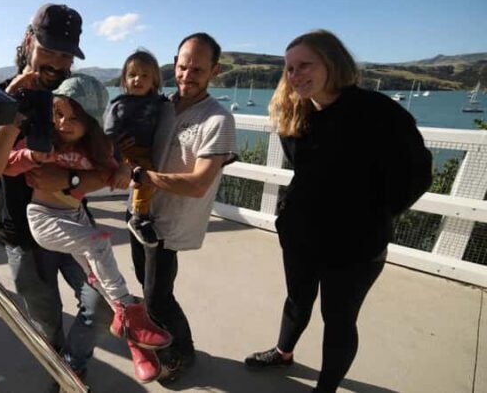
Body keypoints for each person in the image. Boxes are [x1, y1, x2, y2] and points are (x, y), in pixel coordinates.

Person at [244, 30, 432, 393]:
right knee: (297, 300)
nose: (295, 75)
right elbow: (306, 173)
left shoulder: (378, 113)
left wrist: (374, 214)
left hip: (356, 246)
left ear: (332, 62)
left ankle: (326, 388)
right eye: (289, 69)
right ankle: (283, 353)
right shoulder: (296, 114)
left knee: (339, 319)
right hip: (302, 236)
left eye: (304, 65)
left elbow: (416, 174)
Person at [0, 4, 113, 386]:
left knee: (102, 307)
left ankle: (70, 366)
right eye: (50, 49)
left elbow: (103, 169)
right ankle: (59, 375)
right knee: (47, 322)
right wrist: (10, 120)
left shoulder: (74, 98)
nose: (58, 62)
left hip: (73, 223)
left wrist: (71, 181)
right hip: (22, 239)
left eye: (67, 54)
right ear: (29, 41)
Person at [2, 79, 172, 383]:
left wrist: (123, 170)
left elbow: (113, 172)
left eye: (74, 117)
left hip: (75, 215)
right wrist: (30, 156)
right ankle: (128, 319)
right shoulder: (43, 141)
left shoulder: (93, 149)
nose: (64, 123)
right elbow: (7, 165)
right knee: (98, 243)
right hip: (42, 218)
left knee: (99, 279)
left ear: (91, 120)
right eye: (59, 114)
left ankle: (136, 343)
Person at [129, 33, 238, 383]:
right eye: (182, 66)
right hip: (138, 215)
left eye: (197, 69)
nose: (187, 75)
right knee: (147, 290)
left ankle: (183, 353)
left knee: (159, 298)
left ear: (214, 71)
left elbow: (199, 183)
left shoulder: (218, 120)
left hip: (170, 225)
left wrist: (144, 176)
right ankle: (162, 339)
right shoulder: (159, 106)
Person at [104, 49, 166, 246]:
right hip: (127, 153)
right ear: (124, 80)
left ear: (154, 81)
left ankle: (141, 212)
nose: (137, 79)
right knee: (144, 177)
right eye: (132, 75)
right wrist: (119, 158)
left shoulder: (157, 102)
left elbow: (166, 103)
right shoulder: (120, 105)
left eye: (144, 75)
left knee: (149, 178)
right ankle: (139, 217)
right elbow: (109, 132)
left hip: (146, 151)